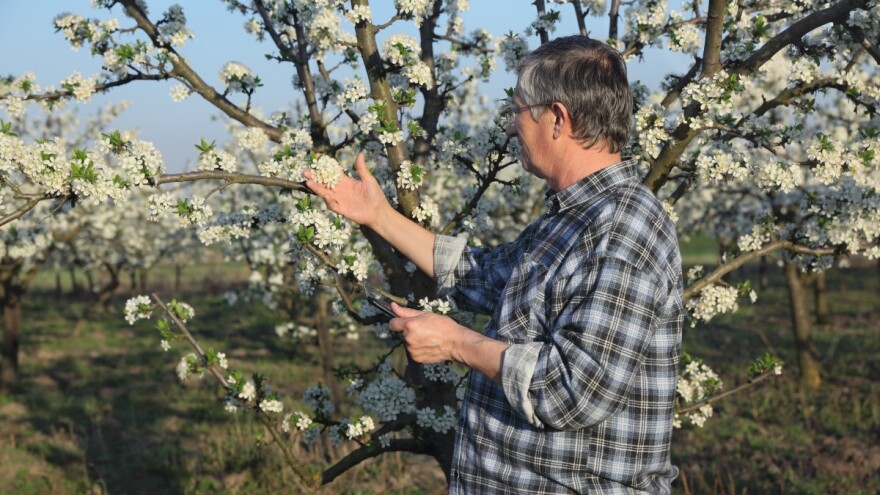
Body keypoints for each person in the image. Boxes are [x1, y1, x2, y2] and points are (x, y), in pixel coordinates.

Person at [306, 35, 682, 495]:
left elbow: (568, 390)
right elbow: (478, 275)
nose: (509, 127)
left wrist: (456, 343)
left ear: (558, 119)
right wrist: (379, 215)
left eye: (519, 110)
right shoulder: (570, 220)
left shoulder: (623, 225)